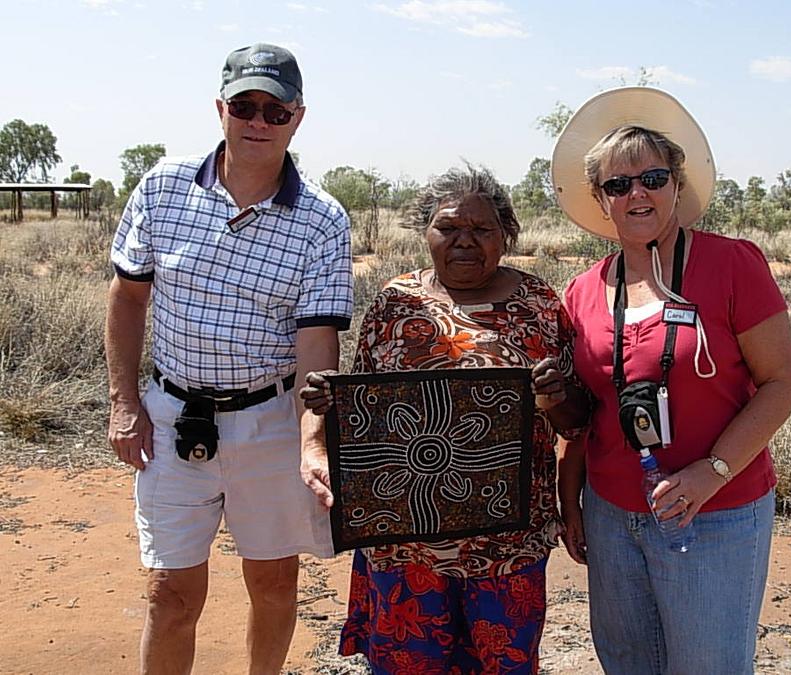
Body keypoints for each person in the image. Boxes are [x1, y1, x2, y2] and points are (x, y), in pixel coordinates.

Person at [105, 43, 352, 674]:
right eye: (246, 105)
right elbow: (128, 298)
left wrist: (312, 439)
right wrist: (124, 404)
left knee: (272, 583)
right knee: (170, 592)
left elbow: (317, 344)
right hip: (171, 416)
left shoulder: (322, 220)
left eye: (275, 110)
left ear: (298, 118)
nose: (258, 122)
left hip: (270, 419)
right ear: (221, 108)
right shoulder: (163, 188)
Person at [300, 164, 589, 674]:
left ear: (507, 235)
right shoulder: (395, 303)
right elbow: (370, 420)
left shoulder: (539, 304)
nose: (464, 242)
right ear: (424, 231)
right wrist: (332, 406)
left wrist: (553, 398)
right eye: (449, 227)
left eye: (481, 229)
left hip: (508, 545)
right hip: (403, 545)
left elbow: (577, 420)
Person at [551, 87, 791, 674]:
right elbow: (586, 409)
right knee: (628, 662)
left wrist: (710, 473)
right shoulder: (584, 290)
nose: (637, 193)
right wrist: (571, 495)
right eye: (618, 184)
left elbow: (782, 381)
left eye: (652, 178)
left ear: (677, 185)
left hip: (716, 512)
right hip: (613, 514)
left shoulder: (732, 264)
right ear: (600, 199)